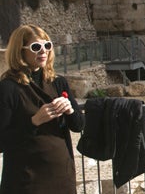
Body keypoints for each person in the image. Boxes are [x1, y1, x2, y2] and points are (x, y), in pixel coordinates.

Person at [0, 24, 85, 194]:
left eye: (47, 45)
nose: (43, 51)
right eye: (36, 47)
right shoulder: (8, 88)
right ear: (20, 51)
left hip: (62, 178)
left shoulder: (58, 82)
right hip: (26, 181)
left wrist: (70, 111)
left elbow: (79, 125)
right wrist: (33, 121)